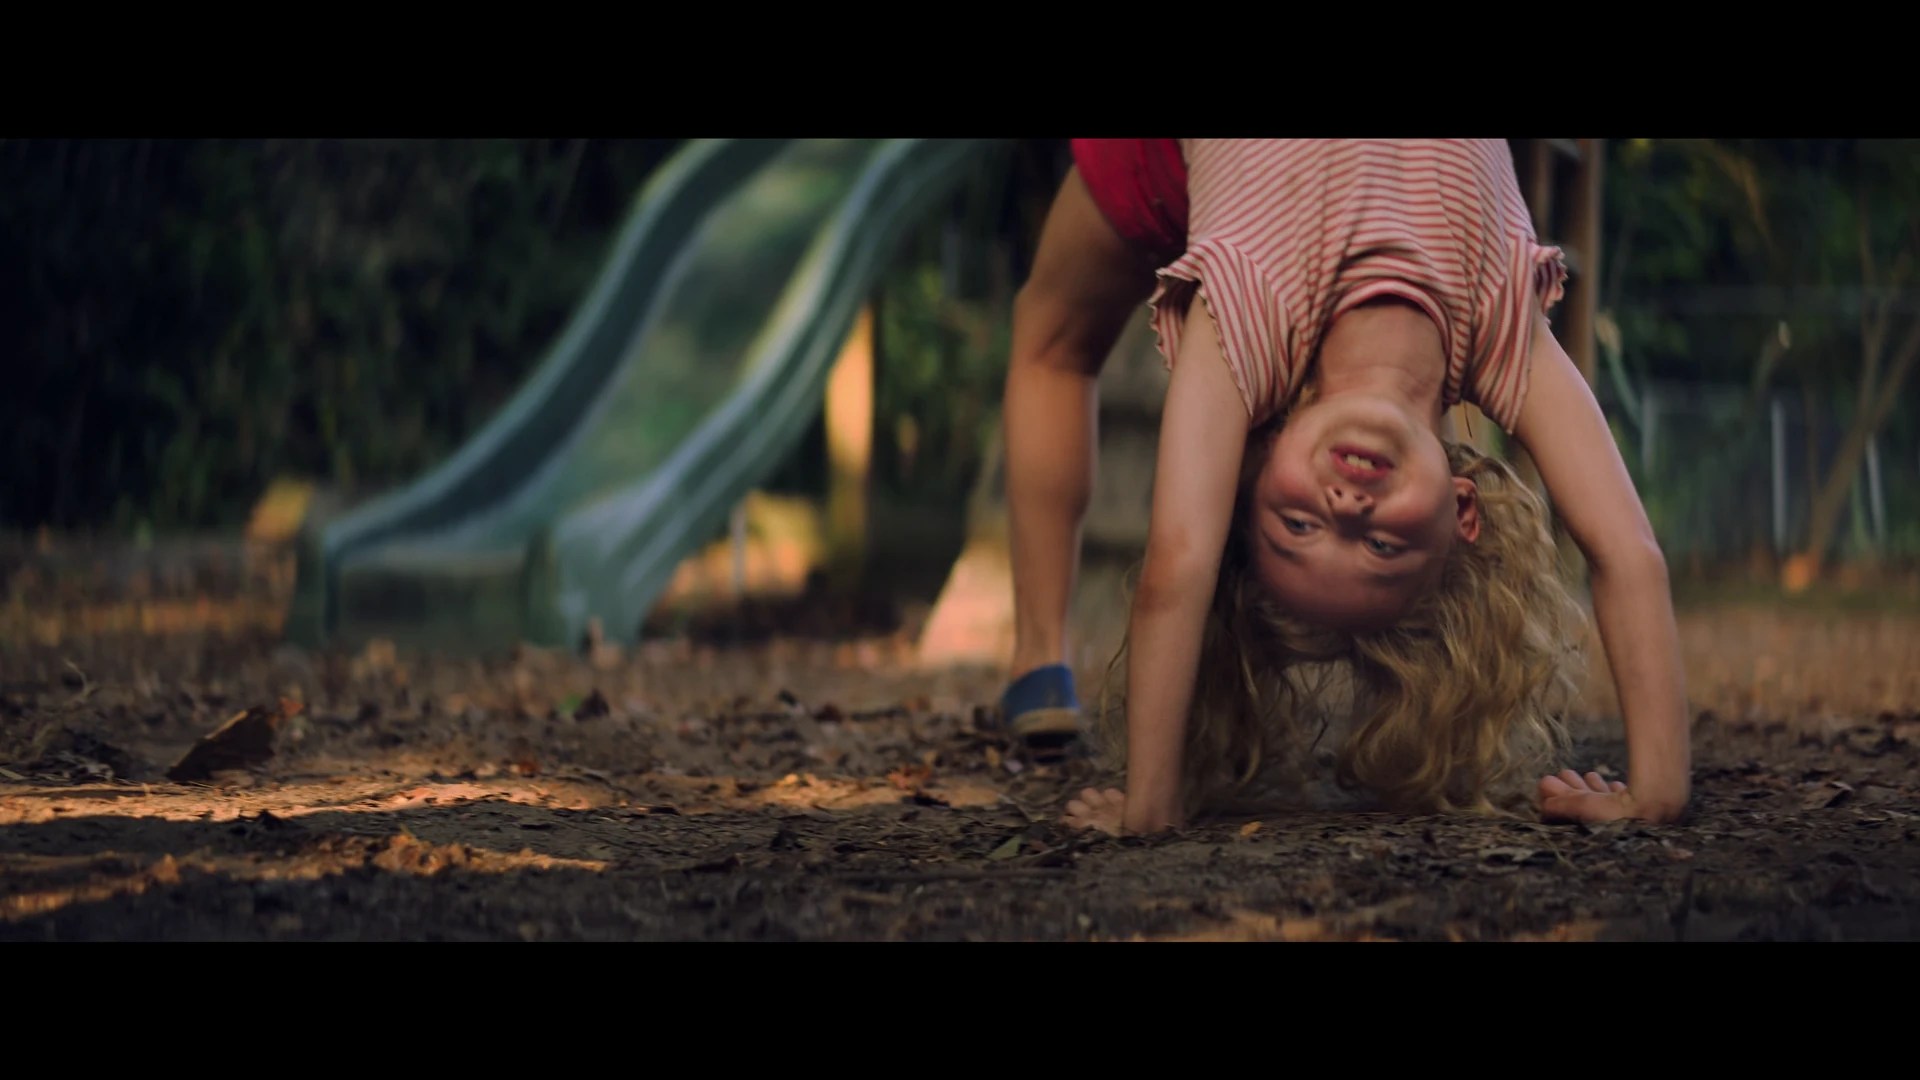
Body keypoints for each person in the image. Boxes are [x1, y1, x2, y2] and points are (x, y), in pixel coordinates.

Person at [992, 139, 1690, 834]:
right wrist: (1656, 791)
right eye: (1384, 545)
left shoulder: (1248, 315)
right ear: (1462, 510)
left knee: (1053, 342)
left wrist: (1149, 803)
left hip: (1169, 161)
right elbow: (1627, 552)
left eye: (1297, 525)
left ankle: (1040, 659)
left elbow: (1179, 562)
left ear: (1260, 457)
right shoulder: (1499, 322)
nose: (1348, 511)